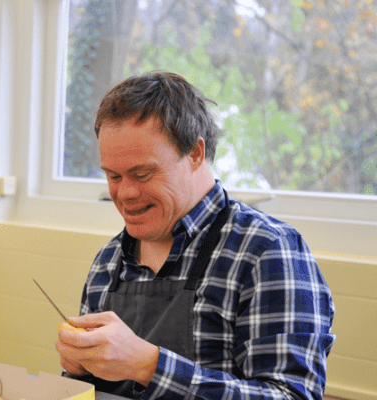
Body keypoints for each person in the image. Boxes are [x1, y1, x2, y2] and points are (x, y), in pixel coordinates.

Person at [56, 71, 335, 399]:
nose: (126, 193)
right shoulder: (109, 260)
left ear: (195, 153)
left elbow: (291, 395)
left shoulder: (268, 251)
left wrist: (150, 366)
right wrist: (76, 371)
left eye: (142, 173)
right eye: (113, 176)